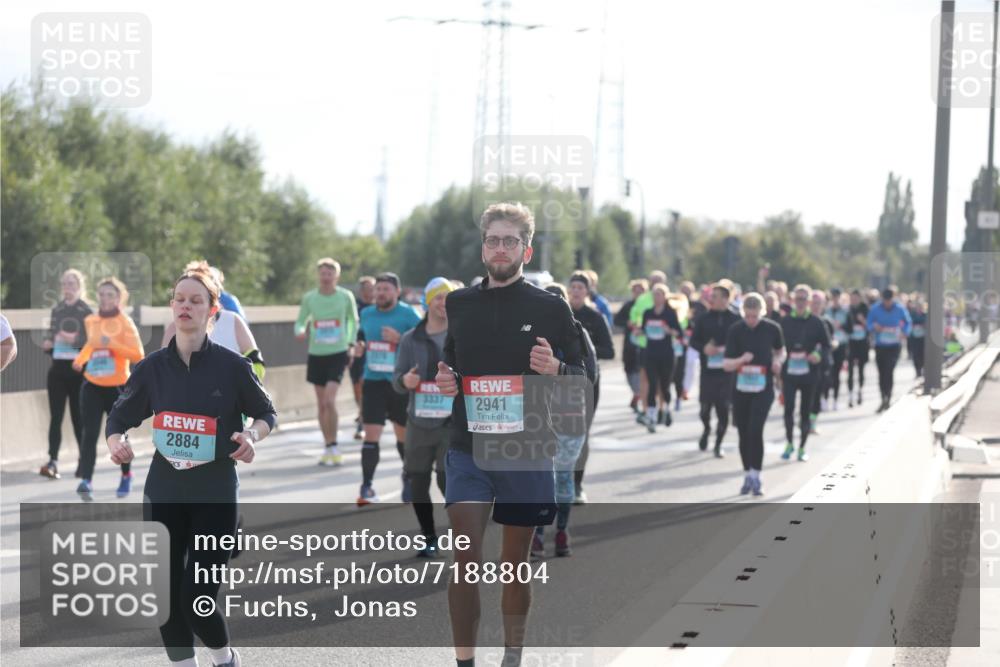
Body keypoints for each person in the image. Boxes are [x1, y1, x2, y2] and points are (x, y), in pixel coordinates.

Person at [435, 202, 585, 667]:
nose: (501, 248)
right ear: (483, 248)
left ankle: (512, 657)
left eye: (510, 241)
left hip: (525, 449)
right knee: (465, 558)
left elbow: (583, 376)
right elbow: (452, 365)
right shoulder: (458, 304)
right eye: (493, 240)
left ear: (527, 248)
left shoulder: (550, 307)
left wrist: (557, 367)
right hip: (469, 448)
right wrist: (447, 380)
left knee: (514, 563)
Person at [105, 262, 276, 667]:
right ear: (172, 307)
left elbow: (266, 414)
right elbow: (118, 417)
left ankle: (224, 658)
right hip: (164, 490)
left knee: (195, 596)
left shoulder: (234, 368)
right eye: (179, 299)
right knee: (166, 596)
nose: (186, 306)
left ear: (212, 310)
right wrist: (117, 441)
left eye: (196, 300)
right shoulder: (151, 368)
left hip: (214, 494)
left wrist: (250, 437)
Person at [392, 277, 455, 558]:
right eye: (438, 297)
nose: (443, 303)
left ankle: (463, 535)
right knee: (417, 481)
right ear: (427, 301)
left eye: (448, 298)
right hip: (418, 422)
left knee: (447, 480)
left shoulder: (459, 336)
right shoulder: (409, 339)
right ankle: (429, 537)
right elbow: (396, 380)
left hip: (450, 423)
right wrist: (405, 381)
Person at [533, 282, 594, 557]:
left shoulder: (577, 334)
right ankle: (538, 533)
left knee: (562, 477)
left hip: (569, 418)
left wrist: (559, 370)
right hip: (536, 417)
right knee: (540, 477)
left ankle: (560, 531)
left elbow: (588, 378)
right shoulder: (529, 334)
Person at [71, 277, 145, 500]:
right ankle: (86, 481)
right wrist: (81, 359)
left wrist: (111, 343)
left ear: (119, 298)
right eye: (101, 294)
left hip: (117, 386)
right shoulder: (91, 320)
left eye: (110, 295)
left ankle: (126, 475)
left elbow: (138, 355)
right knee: (89, 434)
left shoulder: (125, 322)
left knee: (119, 434)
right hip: (92, 384)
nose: (105, 299)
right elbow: (92, 345)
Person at [353, 272, 421, 505]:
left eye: (386, 290)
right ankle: (367, 486)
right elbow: (362, 334)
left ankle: (408, 476)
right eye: (378, 290)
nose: (380, 293)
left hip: (400, 383)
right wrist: (360, 345)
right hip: (373, 382)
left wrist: (400, 338)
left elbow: (424, 343)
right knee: (371, 435)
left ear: (397, 292)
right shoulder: (367, 313)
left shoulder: (408, 314)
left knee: (402, 436)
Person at [294, 258, 360, 466]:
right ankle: (328, 444)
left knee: (330, 401)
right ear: (318, 276)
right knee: (322, 404)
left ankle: (334, 443)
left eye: (329, 273)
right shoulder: (310, 298)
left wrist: (350, 342)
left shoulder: (345, 296)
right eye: (322, 273)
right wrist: (300, 331)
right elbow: (300, 320)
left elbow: (353, 320)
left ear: (336, 276)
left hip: (338, 352)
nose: (325, 277)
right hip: (317, 353)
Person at [723, 293, 785, 496]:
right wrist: (741, 359)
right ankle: (747, 474)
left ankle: (757, 476)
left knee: (755, 430)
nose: (751, 320)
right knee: (743, 432)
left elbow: (780, 350)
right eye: (748, 316)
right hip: (740, 388)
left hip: (763, 387)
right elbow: (726, 365)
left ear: (762, 312)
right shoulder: (735, 330)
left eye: (754, 316)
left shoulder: (772, 328)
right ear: (743, 313)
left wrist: (778, 362)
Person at [566, 272, 614, 504]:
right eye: (572, 286)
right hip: (560, 382)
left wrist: (587, 349)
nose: (576, 291)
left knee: (581, 434)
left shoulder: (595, 317)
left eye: (580, 287)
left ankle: (577, 484)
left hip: (588, 382)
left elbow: (610, 351)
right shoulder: (560, 313)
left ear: (587, 291)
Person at [40, 269, 93, 479]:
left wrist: (74, 340)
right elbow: (52, 336)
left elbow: (93, 342)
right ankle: (52, 461)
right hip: (58, 370)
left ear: (79, 287)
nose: (67, 288)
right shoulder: (57, 310)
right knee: (56, 417)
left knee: (78, 417)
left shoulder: (86, 310)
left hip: (78, 371)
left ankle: (83, 460)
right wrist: (48, 344)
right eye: (64, 284)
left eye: (72, 284)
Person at [778, 285, 830, 462]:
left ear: (808, 302)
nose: (800, 303)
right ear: (793, 301)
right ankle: (789, 443)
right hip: (790, 373)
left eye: (804, 299)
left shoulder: (816, 322)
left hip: (810, 374)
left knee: (805, 411)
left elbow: (826, 345)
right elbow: (776, 346)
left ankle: (802, 447)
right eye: (797, 299)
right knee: (788, 409)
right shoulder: (785, 322)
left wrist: (818, 354)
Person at [689, 283, 741, 458]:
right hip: (708, 371)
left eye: (716, 296)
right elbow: (693, 341)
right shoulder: (704, 318)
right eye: (711, 296)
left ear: (726, 299)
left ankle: (718, 443)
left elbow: (743, 343)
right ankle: (706, 429)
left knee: (723, 409)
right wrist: (704, 348)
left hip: (727, 373)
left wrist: (730, 351)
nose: (711, 299)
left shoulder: (735, 319)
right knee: (705, 409)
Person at [640, 284, 683, 432]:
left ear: (665, 297)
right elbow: (643, 329)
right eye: (654, 294)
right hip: (650, 353)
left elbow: (679, 333)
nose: (656, 297)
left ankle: (665, 409)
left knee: (664, 385)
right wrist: (640, 332)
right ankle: (651, 417)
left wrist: (669, 330)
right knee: (652, 383)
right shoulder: (647, 313)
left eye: (659, 294)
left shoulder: (670, 314)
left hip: (666, 354)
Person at [867, 287, 912, 412]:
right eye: (885, 300)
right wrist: (874, 326)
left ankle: (889, 398)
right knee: (881, 373)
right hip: (880, 345)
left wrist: (905, 333)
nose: (887, 303)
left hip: (894, 345)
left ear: (893, 298)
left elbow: (908, 322)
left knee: (889, 370)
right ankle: (883, 398)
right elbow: (869, 323)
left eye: (889, 300)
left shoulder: (900, 309)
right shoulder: (875, 309)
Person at [614, 279, 647, 414]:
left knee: (642, 371)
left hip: (645, 344)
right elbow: (617, 320)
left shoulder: (648, 306)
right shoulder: (628, 306)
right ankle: (637, 394)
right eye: (635, 291)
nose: (638, 294)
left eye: (641, 291)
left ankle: (640, 395)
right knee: (629, 369)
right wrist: (627, 322)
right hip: (630, 343)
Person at [350, 276, 377, 440]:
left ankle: (363, 421)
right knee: (357, 386)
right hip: (357, 351)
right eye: (366, 289)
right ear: (360, 291)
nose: (370, 292)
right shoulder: (354, 307)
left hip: (374, 352)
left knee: (366, 385)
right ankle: (361, 413)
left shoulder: (379, 307)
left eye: (372, 288)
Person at [807, 290, 836, 436]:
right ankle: (804, 420)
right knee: (806, 394)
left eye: (819, 303)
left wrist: (828, 347)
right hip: (804, 365)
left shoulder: (827, 322)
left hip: (822, 365)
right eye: (813, 303)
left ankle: (812, 422)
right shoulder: (804, 321)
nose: (816, 306)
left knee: (817, 394)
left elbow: (830, 343)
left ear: (823, 305)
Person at [824, 288, 849, 410]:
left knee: (837, 373)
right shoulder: (826, 310)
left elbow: (850, 327)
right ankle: (825, 398)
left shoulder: (845, 311)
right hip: (828, 345)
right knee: (827, 373)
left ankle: (835, 399)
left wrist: (841, 326)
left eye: (836, 296)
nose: (834, 299)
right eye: (832, 296)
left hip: (841, 344)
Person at [846, 289, 870, 407]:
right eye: (852, 298)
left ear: (860, 298)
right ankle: (850, 395)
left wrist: (862, 320)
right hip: (851, 342)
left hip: (862, 343)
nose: (853, 300)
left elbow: (870, 326)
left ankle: (860, 391)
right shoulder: (848, 309)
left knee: (861, 369)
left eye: (855, 298)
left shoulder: (865, 308)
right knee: (850, 370)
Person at [908, 297, 927, 378]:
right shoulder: (911, 314)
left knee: (922, 354)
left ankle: (922, 368)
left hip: (923, 338)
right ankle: (917, 370)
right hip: (914, 338)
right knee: (915, 355)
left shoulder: (925, 314)